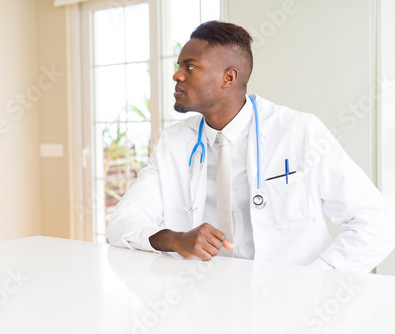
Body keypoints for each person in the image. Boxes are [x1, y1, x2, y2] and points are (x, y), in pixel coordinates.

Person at [106, 21, 395, 273]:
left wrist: (316, 280)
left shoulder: (299, 132)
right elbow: (122, 222)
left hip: (294, 308)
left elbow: (376, 224)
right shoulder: (173, 142)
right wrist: (176, 239)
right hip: (204, 296)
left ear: (228, 78)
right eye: (179, 66)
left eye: (190, 66)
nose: (177, 75)